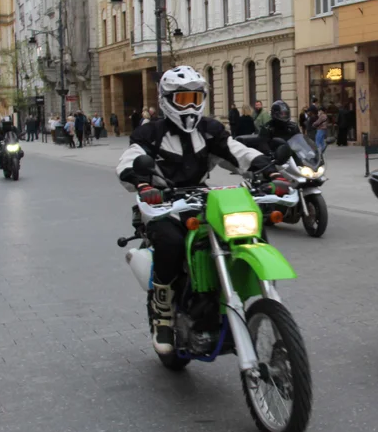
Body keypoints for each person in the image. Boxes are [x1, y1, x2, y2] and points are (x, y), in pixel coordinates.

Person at [116, 66, 279, 354]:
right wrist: (143, 185)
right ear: (167, 100)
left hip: (202, 198)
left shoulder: (210, 130)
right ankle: (163, 315)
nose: (190, 105)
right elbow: (131, 160)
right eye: (182, 98)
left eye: (195, 97)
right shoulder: (150, 133)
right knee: (172, 243)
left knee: (249, 229)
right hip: (163, 203)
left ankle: (252, 294)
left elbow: (236, 151)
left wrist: (269, 169)